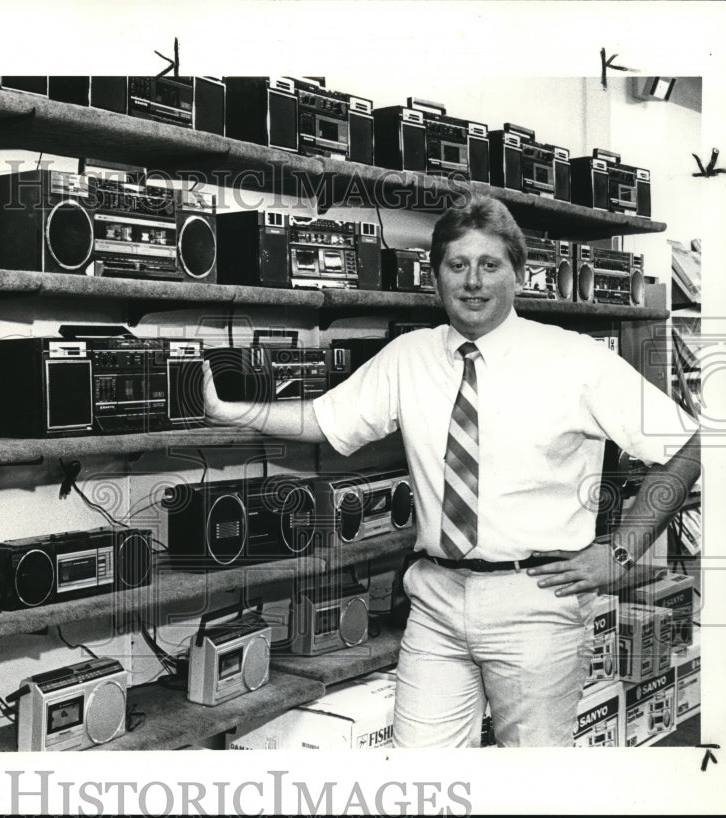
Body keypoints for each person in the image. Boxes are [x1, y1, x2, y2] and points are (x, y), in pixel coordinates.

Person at [202, 196, 701, 747]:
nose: (473, 282)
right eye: (456, 265)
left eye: (490, 265)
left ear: (519, 272)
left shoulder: (576, 359)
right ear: (436, 276)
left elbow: (690, 445)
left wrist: (621, 552)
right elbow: (323, 419)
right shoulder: (409, 355)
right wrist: (231, 410)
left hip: (536, 601)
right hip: (436, 598)